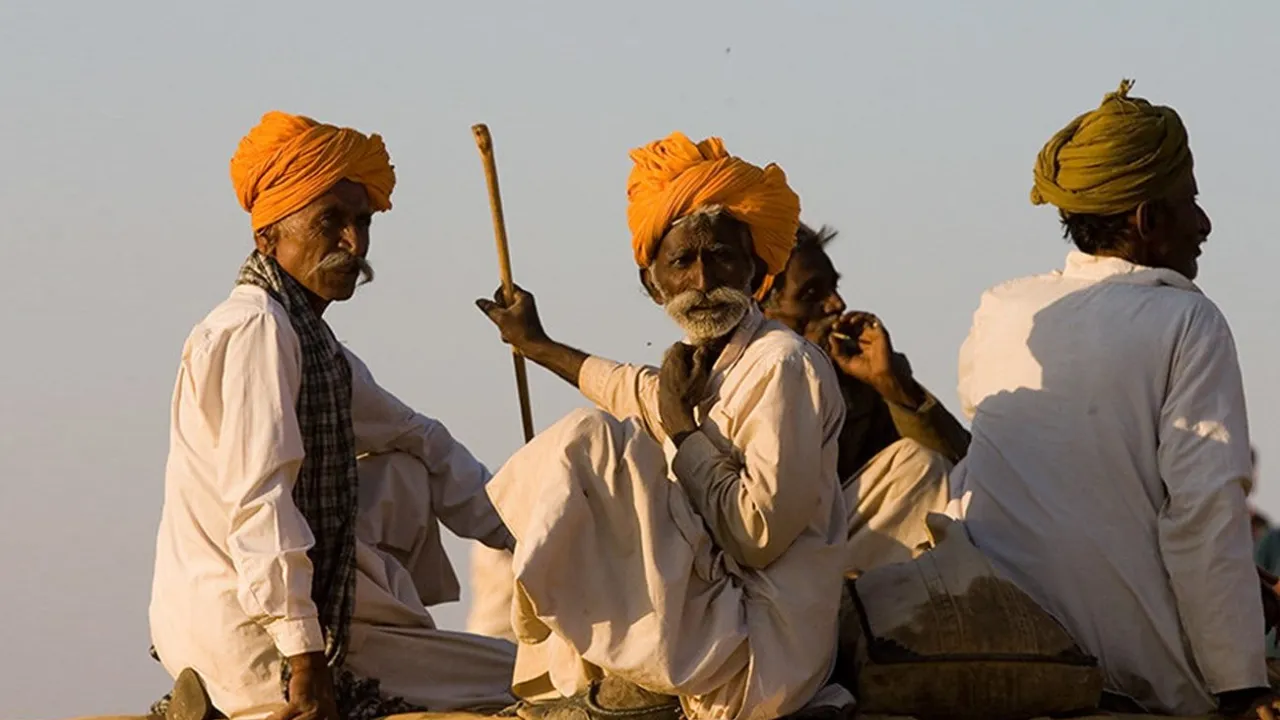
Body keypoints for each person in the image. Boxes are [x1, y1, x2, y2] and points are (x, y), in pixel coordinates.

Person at [148, 111, 516, 720]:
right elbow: (259, 500)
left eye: (361, 222)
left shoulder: (312, 346)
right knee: (525, 686)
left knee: (406, 465)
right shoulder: (255, 331)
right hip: (262, 640)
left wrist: (534, 537)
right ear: (268, 235)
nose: (354, 243)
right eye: (331, 222)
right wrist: (306, 663)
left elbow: (419, 437)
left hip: (308, 627)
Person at [474, 132, 850, 720]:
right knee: (598, 440)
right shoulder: (707, 363)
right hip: (715, 627)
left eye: (723, 257)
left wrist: (681, 432)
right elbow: (632, 390)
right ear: (654, 283)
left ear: (757, 272)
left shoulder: (782, 365)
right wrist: (536, 345)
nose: (704, 280)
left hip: (759, 653)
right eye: (683, 261)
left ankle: (565, 647)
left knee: (591, 443)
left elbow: (756, 536)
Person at [947, 80, 1272, 716]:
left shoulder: (1001, 307)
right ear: (1149, 221)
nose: (1203, 224)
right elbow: (1201, 512)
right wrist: (1242, 684)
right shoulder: (1186, 321)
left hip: (997, 640)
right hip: (1134, 670)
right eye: (1191, 203)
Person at [761, 222, 970, 573]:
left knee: (921, 465)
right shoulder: (727, 387)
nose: (836, 304)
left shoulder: (855, 379)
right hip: (772, 572)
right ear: (762, 311)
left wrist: (893, 386)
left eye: (834, 288)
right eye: (812, 294)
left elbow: (965, 473)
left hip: (840, 556)